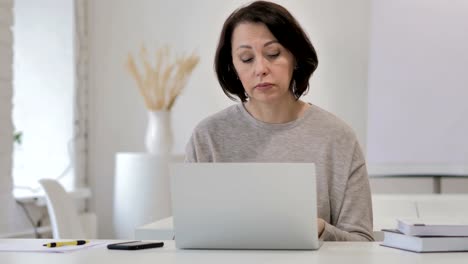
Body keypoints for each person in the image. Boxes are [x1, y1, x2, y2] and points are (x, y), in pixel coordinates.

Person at [185, 0, 374, 241]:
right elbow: (191, 236)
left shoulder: (337, 137)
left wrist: (319, 229)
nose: (261, 68)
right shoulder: (208, 137)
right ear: (232, 67)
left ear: (295, 58)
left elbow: (362, 242)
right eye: (246, 58)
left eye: (273, 54)